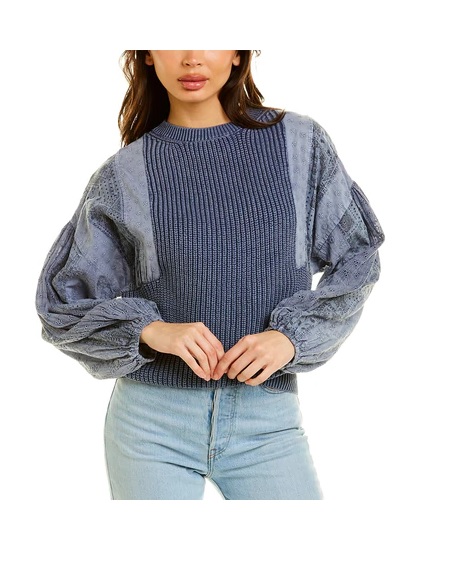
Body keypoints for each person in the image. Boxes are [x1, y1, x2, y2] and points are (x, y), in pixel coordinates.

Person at [36, 50, 384, 500]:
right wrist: (150, 331)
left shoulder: (299, 143)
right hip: (150, 426)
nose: (191, 58)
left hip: (267, 423)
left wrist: (292, 337)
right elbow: (61, 301)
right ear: (147, 55)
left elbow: (358, 255)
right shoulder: (125, 173)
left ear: (238, 53)